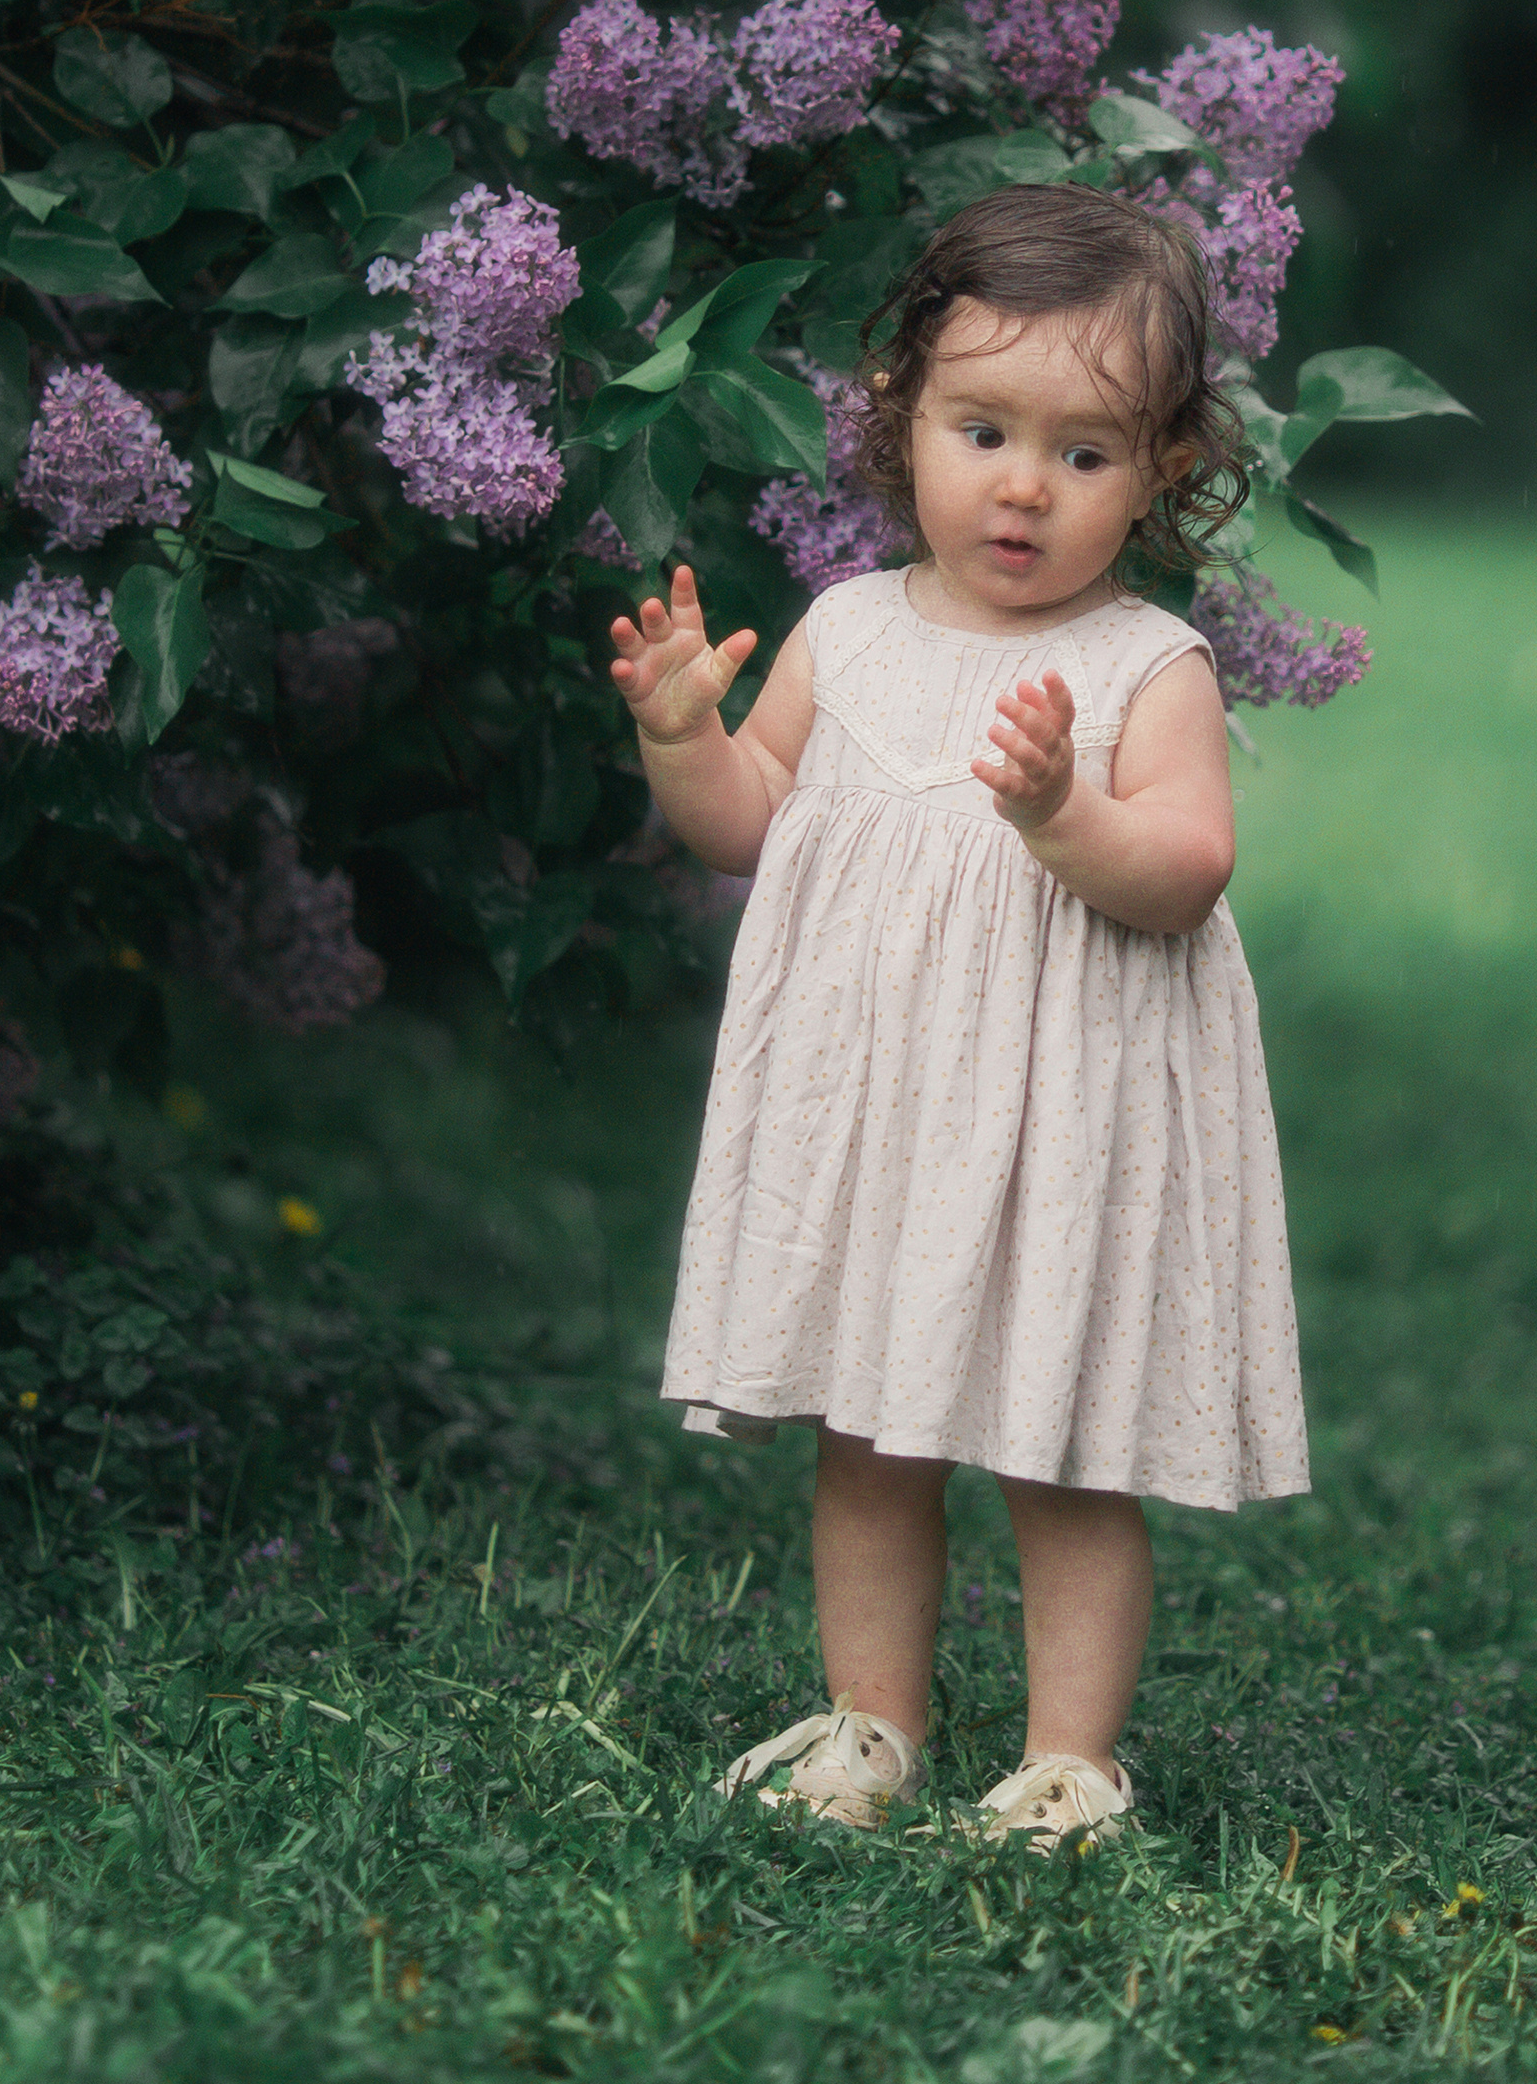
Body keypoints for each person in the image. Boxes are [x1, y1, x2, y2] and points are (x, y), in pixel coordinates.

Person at [608, 186, 1307, 1851]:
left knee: (1063, 1445)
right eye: (983, 427)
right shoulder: (848, 631)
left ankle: (1073, 1758)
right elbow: (758, 820)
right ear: (898, 418)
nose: (1023, 483)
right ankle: (876, 1724)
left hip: (1062, 1138)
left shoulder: (1149, 666)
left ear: (1165, 472)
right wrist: (684, 741)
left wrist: (1068, 811)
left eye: (1086, 450)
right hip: (878, 1126)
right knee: (867, 1432)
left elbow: (1188, 870)